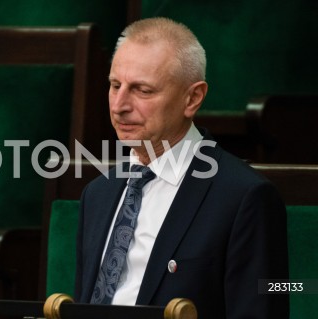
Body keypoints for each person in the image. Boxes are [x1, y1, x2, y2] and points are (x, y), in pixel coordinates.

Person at [74, 17, 289, 319]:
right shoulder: (97, 194)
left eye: (142, 90)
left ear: (192, 98)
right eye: (114, 85)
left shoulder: (244, 198)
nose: (119, 105)